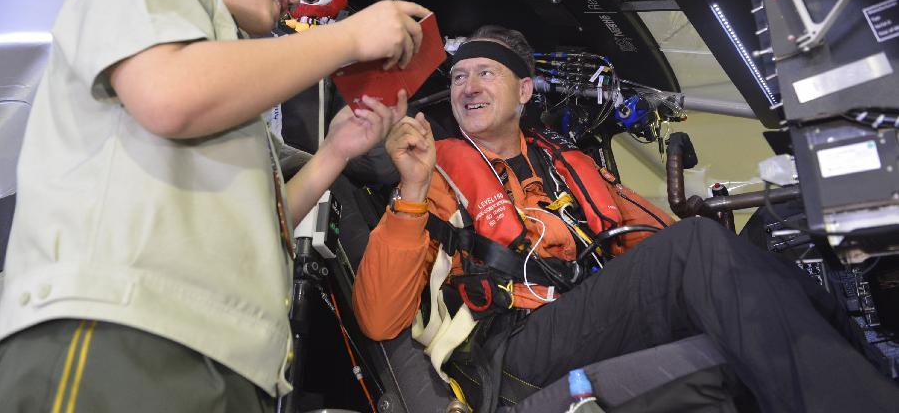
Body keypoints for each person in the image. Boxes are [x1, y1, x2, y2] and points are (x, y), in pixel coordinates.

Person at [0, 0, 431, 412]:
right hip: (121, 336)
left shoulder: (233, 102)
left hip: (225, 364)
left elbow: (263, 225)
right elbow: (169, 96)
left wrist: (335, 152)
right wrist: (347, 38)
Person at [352, 25, 899, 412]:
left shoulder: (570, 164)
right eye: (460, 77)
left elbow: (657, 240)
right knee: (699, 248)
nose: (467, 87)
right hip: (511, 347)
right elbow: (378, 320)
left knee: (775, 253)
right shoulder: (436, 168)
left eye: (485, 74)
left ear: (522, 91)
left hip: (591, 321)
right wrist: (413, 188)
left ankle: (877, 371)